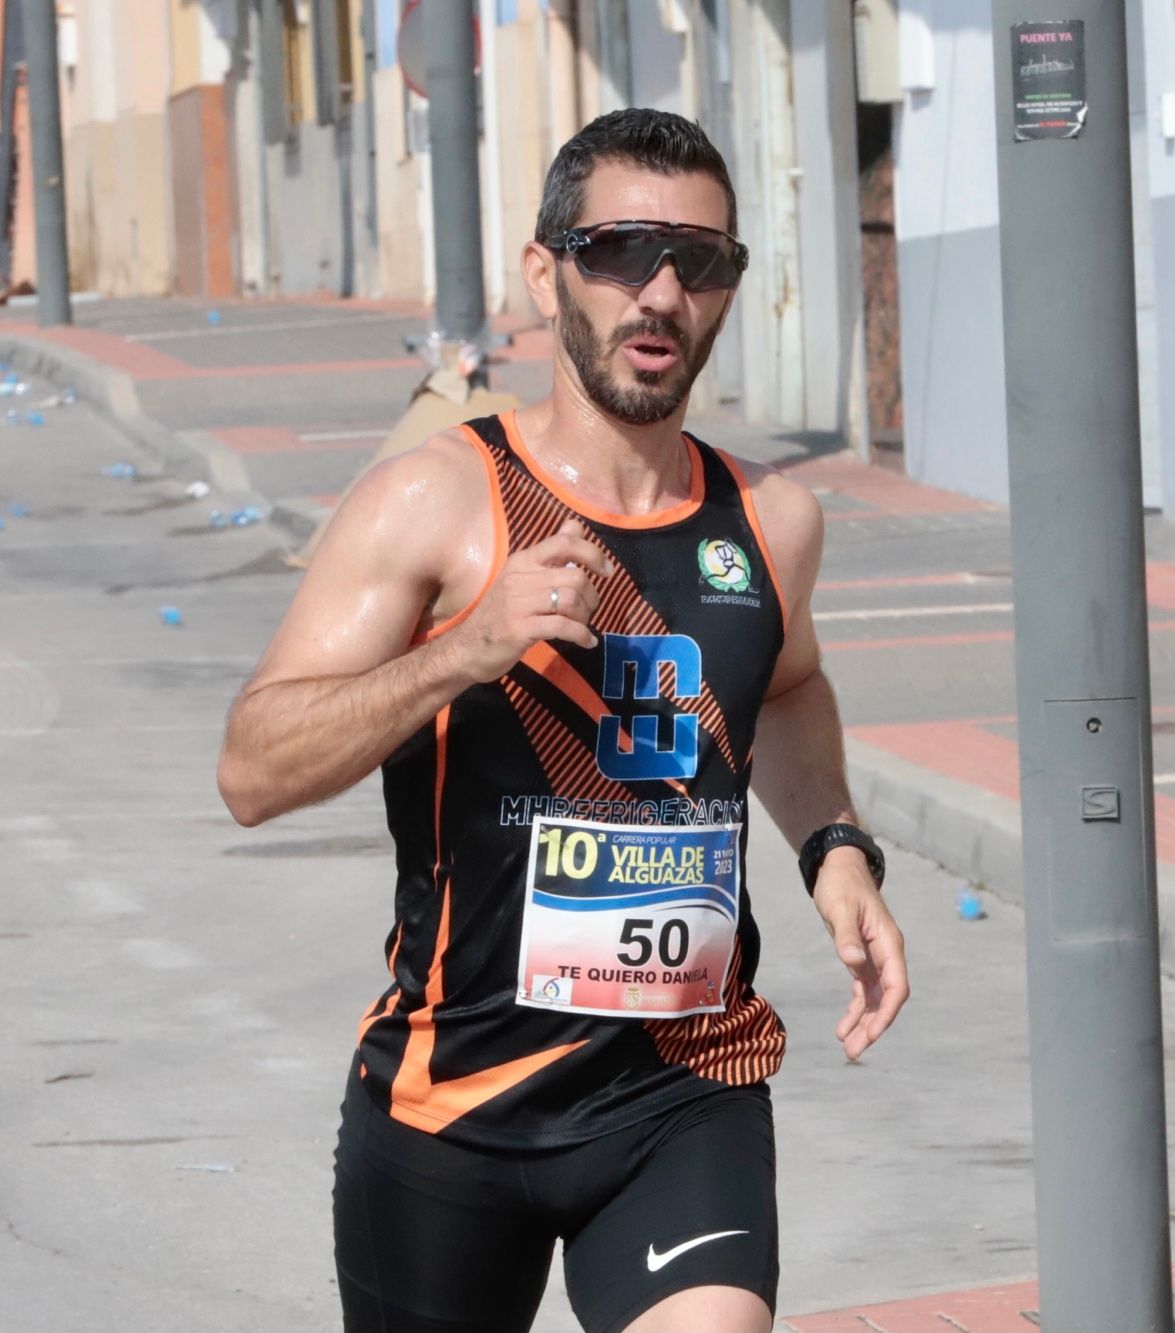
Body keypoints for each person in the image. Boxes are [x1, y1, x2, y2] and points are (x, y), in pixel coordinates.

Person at [217, 109, 910, 1333]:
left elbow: (787, 683)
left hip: (679, 1095)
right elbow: (254, 767)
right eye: (618, 252)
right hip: (451, 1109)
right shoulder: (435, 502)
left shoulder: (771, 524)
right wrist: (466, 650)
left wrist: (833, 847)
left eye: (699, 261)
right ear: (544, 274)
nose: (659, 293)